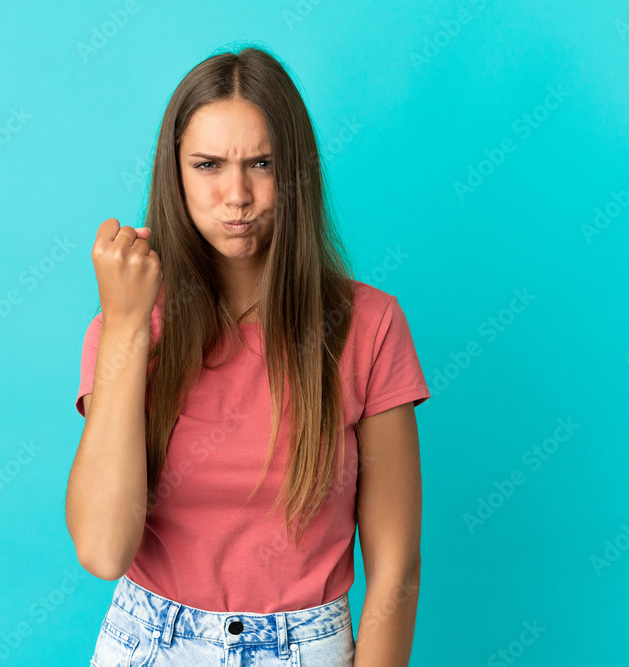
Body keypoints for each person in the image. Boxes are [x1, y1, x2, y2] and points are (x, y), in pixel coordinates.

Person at [66, 44, 430, 666]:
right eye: (208, 165)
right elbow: (103, 550)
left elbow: (396, 570)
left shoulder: (369, 326)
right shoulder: (126, 327)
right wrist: (128, 327)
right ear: (175, 174)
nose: (236, 195)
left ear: (297, 172)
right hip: (149, 644)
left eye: (261, 163)